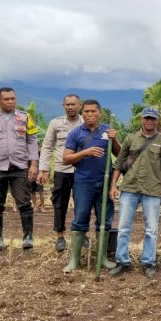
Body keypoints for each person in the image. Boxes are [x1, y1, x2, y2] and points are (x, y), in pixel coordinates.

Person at [109, 107, 161, 278]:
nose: (149, 121)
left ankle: (148, 263)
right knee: (123, 228)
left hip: (152, 190)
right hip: (129, 188)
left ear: (157, 121)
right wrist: (113, 185)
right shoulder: (131, 139)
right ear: (141, 119)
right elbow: (119, 163)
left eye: (152, 119)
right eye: (146, 118)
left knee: (151, 230)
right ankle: (122, 261)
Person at [0, 87, 39, 251]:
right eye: (6, 99)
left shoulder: (25, 118)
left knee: (24, 202)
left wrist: (33, 164)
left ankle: (28, 237)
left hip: (19, 166)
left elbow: (32, 141)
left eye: (13, 99)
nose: (10, 102)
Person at [62, 99, 121, 273]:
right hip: (83, 183)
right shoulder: (75, 133)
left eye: (93, 111)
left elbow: (119, 154)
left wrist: (115, 139)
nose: (89, 115)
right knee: (80, 220)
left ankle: (102, 258)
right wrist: (85, 152)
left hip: (105, 184)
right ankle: (75, 259)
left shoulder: (107, 131)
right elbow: (66, 158)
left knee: (105, 221)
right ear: (82, 113)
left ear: (99, 113)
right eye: (86, 112)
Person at [38, 94, 82, 252]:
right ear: (63, 105)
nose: (70, 107)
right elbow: (47, 146)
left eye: (73, 104)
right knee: (59, 203)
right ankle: (60, 236)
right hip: (61, 170)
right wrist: (43, 169)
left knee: (81, 204)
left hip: (81, 171)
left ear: (80, 105)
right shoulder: (55, 123)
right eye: (67, 104)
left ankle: (80, 235)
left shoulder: (86, 123)